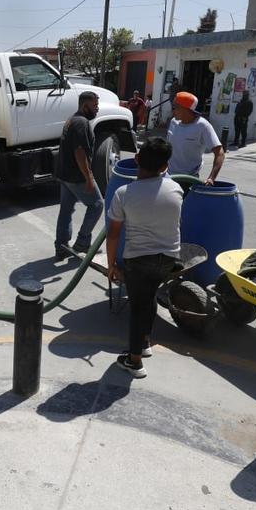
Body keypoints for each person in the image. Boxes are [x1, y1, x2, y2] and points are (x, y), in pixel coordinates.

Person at [106, 139, 182, 378]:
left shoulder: (123, 194)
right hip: (169, 258)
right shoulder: (176, 188)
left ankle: (134, 360)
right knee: (149, 298)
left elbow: (113, 235)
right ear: (165, 166)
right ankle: (146, 342)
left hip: (138, 261)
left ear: (137, 159)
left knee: (138, 306)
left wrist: (111, 265)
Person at [54, 91, 103, 260]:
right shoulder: (81, 123)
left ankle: (61, 247)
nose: (97, 109)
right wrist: (88, 177)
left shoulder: (72, 119)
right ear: (85, 105)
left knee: (66, 210)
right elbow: (79, 152)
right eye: (95, 105)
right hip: (76, 176)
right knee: (97, 205)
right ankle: (82, 244)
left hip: (65, 174)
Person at [166, 91, 224, 184]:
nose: (172, 111)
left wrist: (211, 178)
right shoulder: (173, 122)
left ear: (186, 109)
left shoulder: (202, 125)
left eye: (175, 107)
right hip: (169, 176)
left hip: (188, 179)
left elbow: (219, 153)